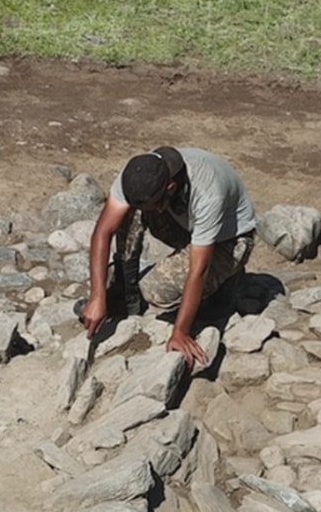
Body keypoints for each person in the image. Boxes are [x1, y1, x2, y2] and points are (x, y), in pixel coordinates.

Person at [81, 145, 256, 368]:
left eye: (154, 205)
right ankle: (127, 292)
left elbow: (198, 270)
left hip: (230, 240)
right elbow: (103, 231)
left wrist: (180, 331)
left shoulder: (208, 193)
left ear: (171, 187)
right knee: (131, 209)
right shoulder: (139, 173)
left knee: (154, 290)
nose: (149, 213)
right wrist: (97, 296)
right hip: (185, 225)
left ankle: (227, 280)